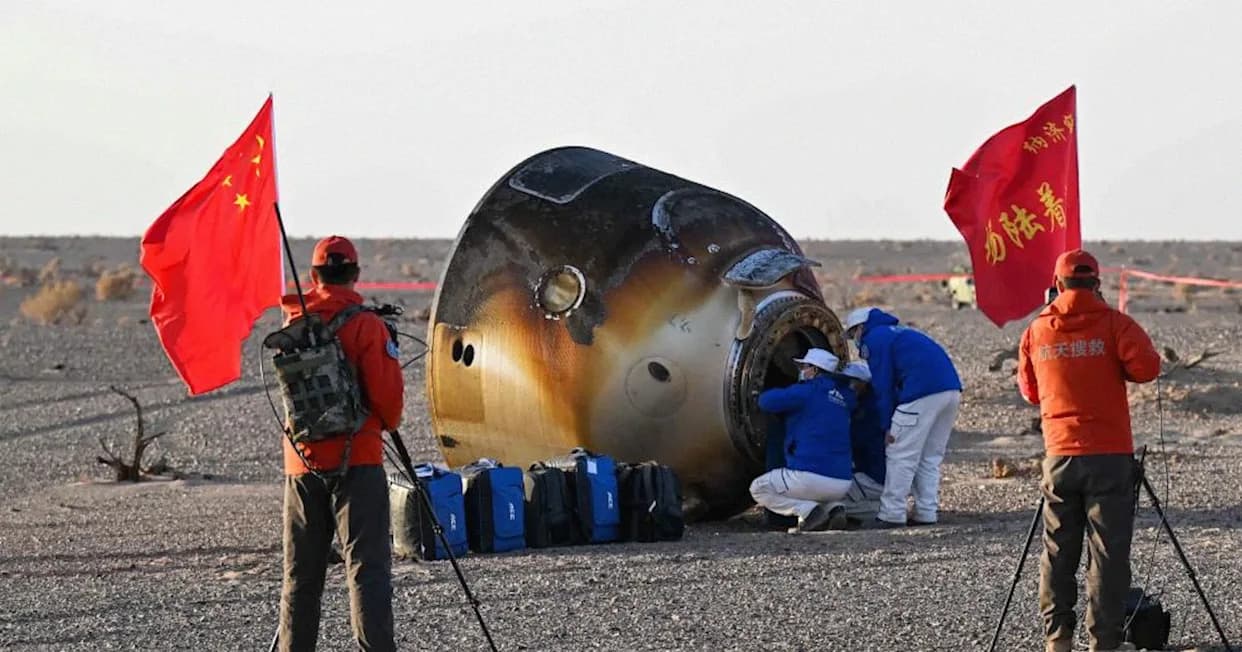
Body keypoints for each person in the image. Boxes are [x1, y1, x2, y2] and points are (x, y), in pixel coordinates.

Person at [1017, 249, 1160, 652]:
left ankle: (1057, 637)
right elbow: (1147, 369)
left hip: (1059, 456)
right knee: (1108, 555)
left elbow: (1029, 392)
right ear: (1097, 283)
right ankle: (1105, 642)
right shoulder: (1116, 324)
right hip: (1110, 455)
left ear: (1057, 284)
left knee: (1058, 551)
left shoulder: (1036, 329)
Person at [279, 235, 405, 652]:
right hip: (360, 461)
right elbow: (389, 411)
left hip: (302, 463)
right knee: (367, 571)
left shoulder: (292, 325)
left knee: (301, 577)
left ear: (314, 276)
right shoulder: (366, 325)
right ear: (354, 273)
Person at [842, 306, 962, 528]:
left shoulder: (874, 339)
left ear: (860, 328)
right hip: (951, 391)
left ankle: (892, 513)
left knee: (901, 454)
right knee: (929, 457)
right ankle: (926, 512)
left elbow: (883, 384)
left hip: (920, 393)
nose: (854, 340)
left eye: (852, 334)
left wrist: (887, 424)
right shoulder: (900, 332)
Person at [750, 348, 856, 532]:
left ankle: (808, 512)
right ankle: (834, 508)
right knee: (815, 488)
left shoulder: (806, 391)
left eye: (805, 367)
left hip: (810, 478)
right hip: (843, 482)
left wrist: (761, 393)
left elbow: (766, 401)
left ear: (815, 370)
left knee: (758, 488)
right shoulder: (845, 398)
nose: (802, 371)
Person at [837, 361, 886, 522]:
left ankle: (877, 511)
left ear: (864, 383)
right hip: (878, 476)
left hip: (874, 477)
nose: (848, 386)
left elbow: (857, 440)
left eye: (852, 381)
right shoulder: (869, 403)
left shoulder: (870, 411)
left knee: (828, 495)